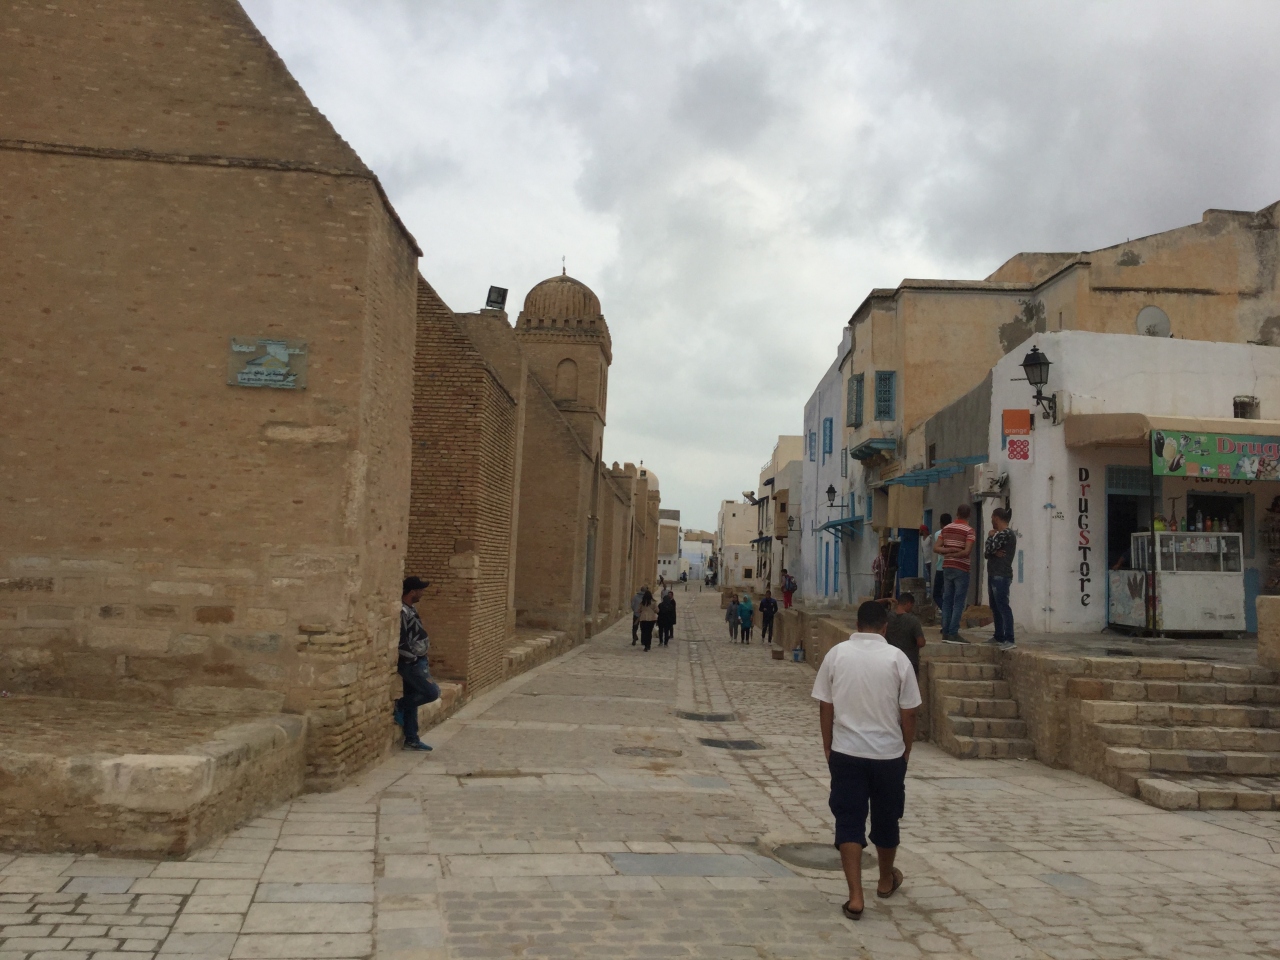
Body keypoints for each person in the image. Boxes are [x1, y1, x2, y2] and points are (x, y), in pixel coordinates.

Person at [812, 600, 921, 921]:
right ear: (884, 627)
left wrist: (828, 746)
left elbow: (825, 705)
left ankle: (855, 897)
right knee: (887, 818)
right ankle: (885, 880)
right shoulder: (898, 659)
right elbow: (909, 712)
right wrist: (906, 749)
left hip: (846, 752)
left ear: (857, 625)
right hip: (888, 754)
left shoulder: (836, 655)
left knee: (848, 820)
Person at [394, 576, 440, 752]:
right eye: (420, 590)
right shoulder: (402, 612)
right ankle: (400, 704)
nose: (422, 593)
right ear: (412, 591)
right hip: (411, 663)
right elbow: (401, 639)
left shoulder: (410, 609)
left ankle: (411, 739)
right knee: (431, 692)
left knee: (414, 698)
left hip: (418, 659)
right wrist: (412, 659)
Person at [934, 505, 976, 643]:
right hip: (962, 568)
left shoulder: (946, 529)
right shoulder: (969, 531)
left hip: (947, 567)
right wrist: (956, 553)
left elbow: (936, 547)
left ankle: (945, 632)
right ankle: (953, 632)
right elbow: (967, 551)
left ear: (957, 514)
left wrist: (948, 552)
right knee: (959, 601)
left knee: (947, 600)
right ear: (969, 515)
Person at [985, 507, 1017, 649]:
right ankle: (999, 635)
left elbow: (988, 550)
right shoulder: (1000, 535)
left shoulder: (1005, 534)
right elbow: (988, 553)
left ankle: (1009, 638)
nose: (991, 521)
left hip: (1001, 575)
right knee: (995, 607)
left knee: (1003, 606)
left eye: (992, 518)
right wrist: (993, 551)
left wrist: (990, 537)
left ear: (996, 518)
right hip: (994, 574)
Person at [885, 592, 925, 675]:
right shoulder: (913, 620)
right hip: (909, 661)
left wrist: (886, 599)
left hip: (890, 660)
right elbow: (920, 642)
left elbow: (870, 605)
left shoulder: (888, 617)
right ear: (908, 603)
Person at [931, 513, 951, 603]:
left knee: (937, 594)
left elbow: (937, 548)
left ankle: (945, 609)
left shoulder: (938, 534)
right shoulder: (954, 533)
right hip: (953, 566)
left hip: (941, 567)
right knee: (949, 592)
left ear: (941, 523)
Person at [919, 524, 935, 599]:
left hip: (931, 561)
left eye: (920, 530)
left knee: (931, 577)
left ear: (924, 531)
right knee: (928, 577)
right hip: (926, 561)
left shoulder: (930, 538)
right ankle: (929, 592)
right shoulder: (921, 539)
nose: (919, 531)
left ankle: (932, 592)